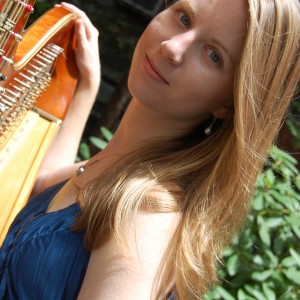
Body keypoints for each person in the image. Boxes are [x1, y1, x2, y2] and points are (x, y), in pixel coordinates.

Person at [0, 0, 299, 299]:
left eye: (213, 55)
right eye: (184, 18)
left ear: (229, 103)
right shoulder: (113, 170)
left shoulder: (147, 214)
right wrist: (85, 89)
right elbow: (43, 181)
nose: (173, 47)